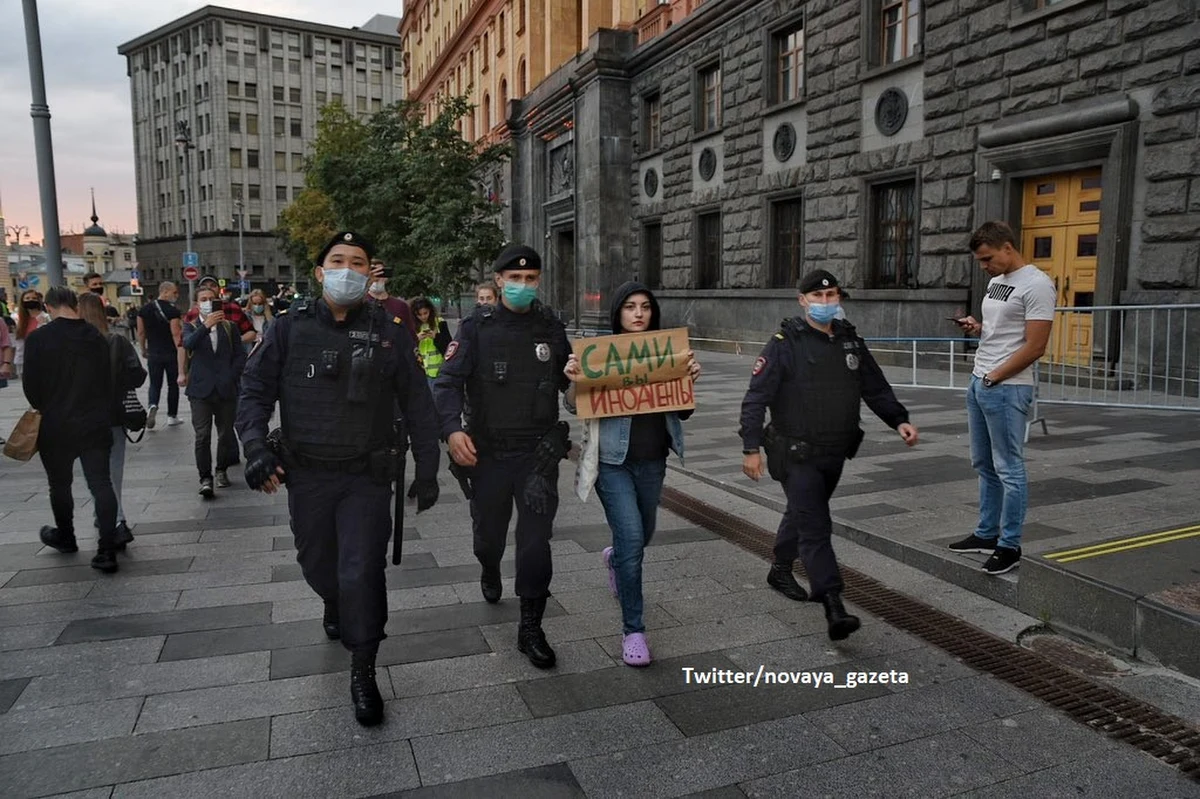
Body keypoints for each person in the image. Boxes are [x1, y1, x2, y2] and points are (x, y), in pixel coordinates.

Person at [236, 231, 441, 727]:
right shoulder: (289, 328)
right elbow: (255, 391)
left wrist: (429, 467)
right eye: (338, 261)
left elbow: (417, 401)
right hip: (307, 475)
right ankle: (332, 600)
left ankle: (364, 666)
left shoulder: (391, 331)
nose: (348, 270)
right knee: (318, 565)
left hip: (365, 477)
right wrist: (255, 446)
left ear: (370, 273)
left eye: (359, 263)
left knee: (362, 571)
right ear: (320, 272)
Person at [739, 269, 919, 641]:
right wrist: (751, 448)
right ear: (802, 301)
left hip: (835, 451)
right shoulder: (784, 343)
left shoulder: (849, 341)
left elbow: (874, 385)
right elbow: (756, 397)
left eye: (832, 295)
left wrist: (899, 420)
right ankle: (833, 603)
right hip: (795, 453)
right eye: (818, 297)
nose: (825, 302)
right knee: (816, 526)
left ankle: (780, 567)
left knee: (803, 511)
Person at [433, 244, 572, 669]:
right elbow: (447, 384)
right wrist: (452, 429)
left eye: (530, 279)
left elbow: (573, 383)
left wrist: (584, 379)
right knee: (488, 537)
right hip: (488, 454)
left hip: (537, 456)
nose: (523, 285)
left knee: (535, 542)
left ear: (539, 281)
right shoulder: (476, 327)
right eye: (515, 278)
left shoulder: (550, 327)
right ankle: (489, 566)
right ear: (499, 281)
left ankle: (531, 627)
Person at [564, 282, 702, 667]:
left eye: (644, 306)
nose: (638, 313)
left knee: (642, 536)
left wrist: (689, 379)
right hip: (612, 464)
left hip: (653, 462)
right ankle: (633, 631)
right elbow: (573, 405)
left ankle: (615, 560)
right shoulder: (600, 354)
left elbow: (683, 410)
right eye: (629, 307)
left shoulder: (667, 353)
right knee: (632, 538)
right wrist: (575, 380)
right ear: (617, 313)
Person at [949, 221, 1055, 575]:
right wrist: (978, 328)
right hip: (981, 379)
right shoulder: (998, 281)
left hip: (1007, 386)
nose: (984, 266)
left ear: (1008, 247)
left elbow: (1036, 346)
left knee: (1009, 467)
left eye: (988, 259)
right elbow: (1001, 331)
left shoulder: (1037, 284)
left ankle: (1010, 546)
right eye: (980, 261)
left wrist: (995, 376)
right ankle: (986, 534)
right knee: (983, 463)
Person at [23, 288, 123, 573]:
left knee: (59, 484)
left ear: (49, 306)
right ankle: (106, 549)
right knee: (101, 483)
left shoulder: (39, 338)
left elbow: (31, 387)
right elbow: (107, 380)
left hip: (56, 424)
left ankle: (66, 536)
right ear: (74, 304)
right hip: (94, 422)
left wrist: (47, 404)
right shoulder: (95, 336)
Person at [79, 293, 144, 548]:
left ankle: (115, 520)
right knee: (113, 471)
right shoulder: (116, 341)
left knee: (95, 474)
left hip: (84, 417)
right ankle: (113, 518)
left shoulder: (75, 343)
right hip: (115, 415)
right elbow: (138, 375)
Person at [182, 286, 247, 496]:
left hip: (225, 389)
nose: (208, 302)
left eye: (212, 299)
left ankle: (221, 470)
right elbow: (188, 344)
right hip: (200, 390)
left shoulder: (229, 327)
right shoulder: (191, 326)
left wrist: (232, 375)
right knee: (202, 435)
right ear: (196, 304)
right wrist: (206, 326)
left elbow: (240, 355)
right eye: (203, 299)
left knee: (225, 433)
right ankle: (205, 477)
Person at [138, 282, 185, 429]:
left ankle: (152, 405)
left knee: (154, 383)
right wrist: (181, 352)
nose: (176, 295)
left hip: (153, 353)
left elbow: (141, 332)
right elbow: (176, 334)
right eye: (174, 292)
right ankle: (172, 416)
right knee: (173, 384)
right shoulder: (172, 311)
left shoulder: (144, 310)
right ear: (164, 292)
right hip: (171, 353)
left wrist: (143, 349)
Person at [366, 261, 417, 339]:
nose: (376, 278)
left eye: (380, 273)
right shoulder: (359, 304)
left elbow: (411, 336)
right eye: (372, 273)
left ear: (386, 276)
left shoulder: (400, 306)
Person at [410, 297, 452, 387]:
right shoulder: (412, 325)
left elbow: (449, 347)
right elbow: (407, 348)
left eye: (425, 313)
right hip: (420, 370)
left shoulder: (440, 323)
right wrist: (416, 339)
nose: (423, 317)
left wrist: (436, 337)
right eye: (419, 315)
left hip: (439, 370)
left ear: (430, 310)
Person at [15, 289, 49, 379]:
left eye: (34, 298)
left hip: (44, 361)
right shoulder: (21, 321)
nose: (31, 300)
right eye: (27, 298)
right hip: (27, 362)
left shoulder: (46, 318)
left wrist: (43, 325)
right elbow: (20, 346)